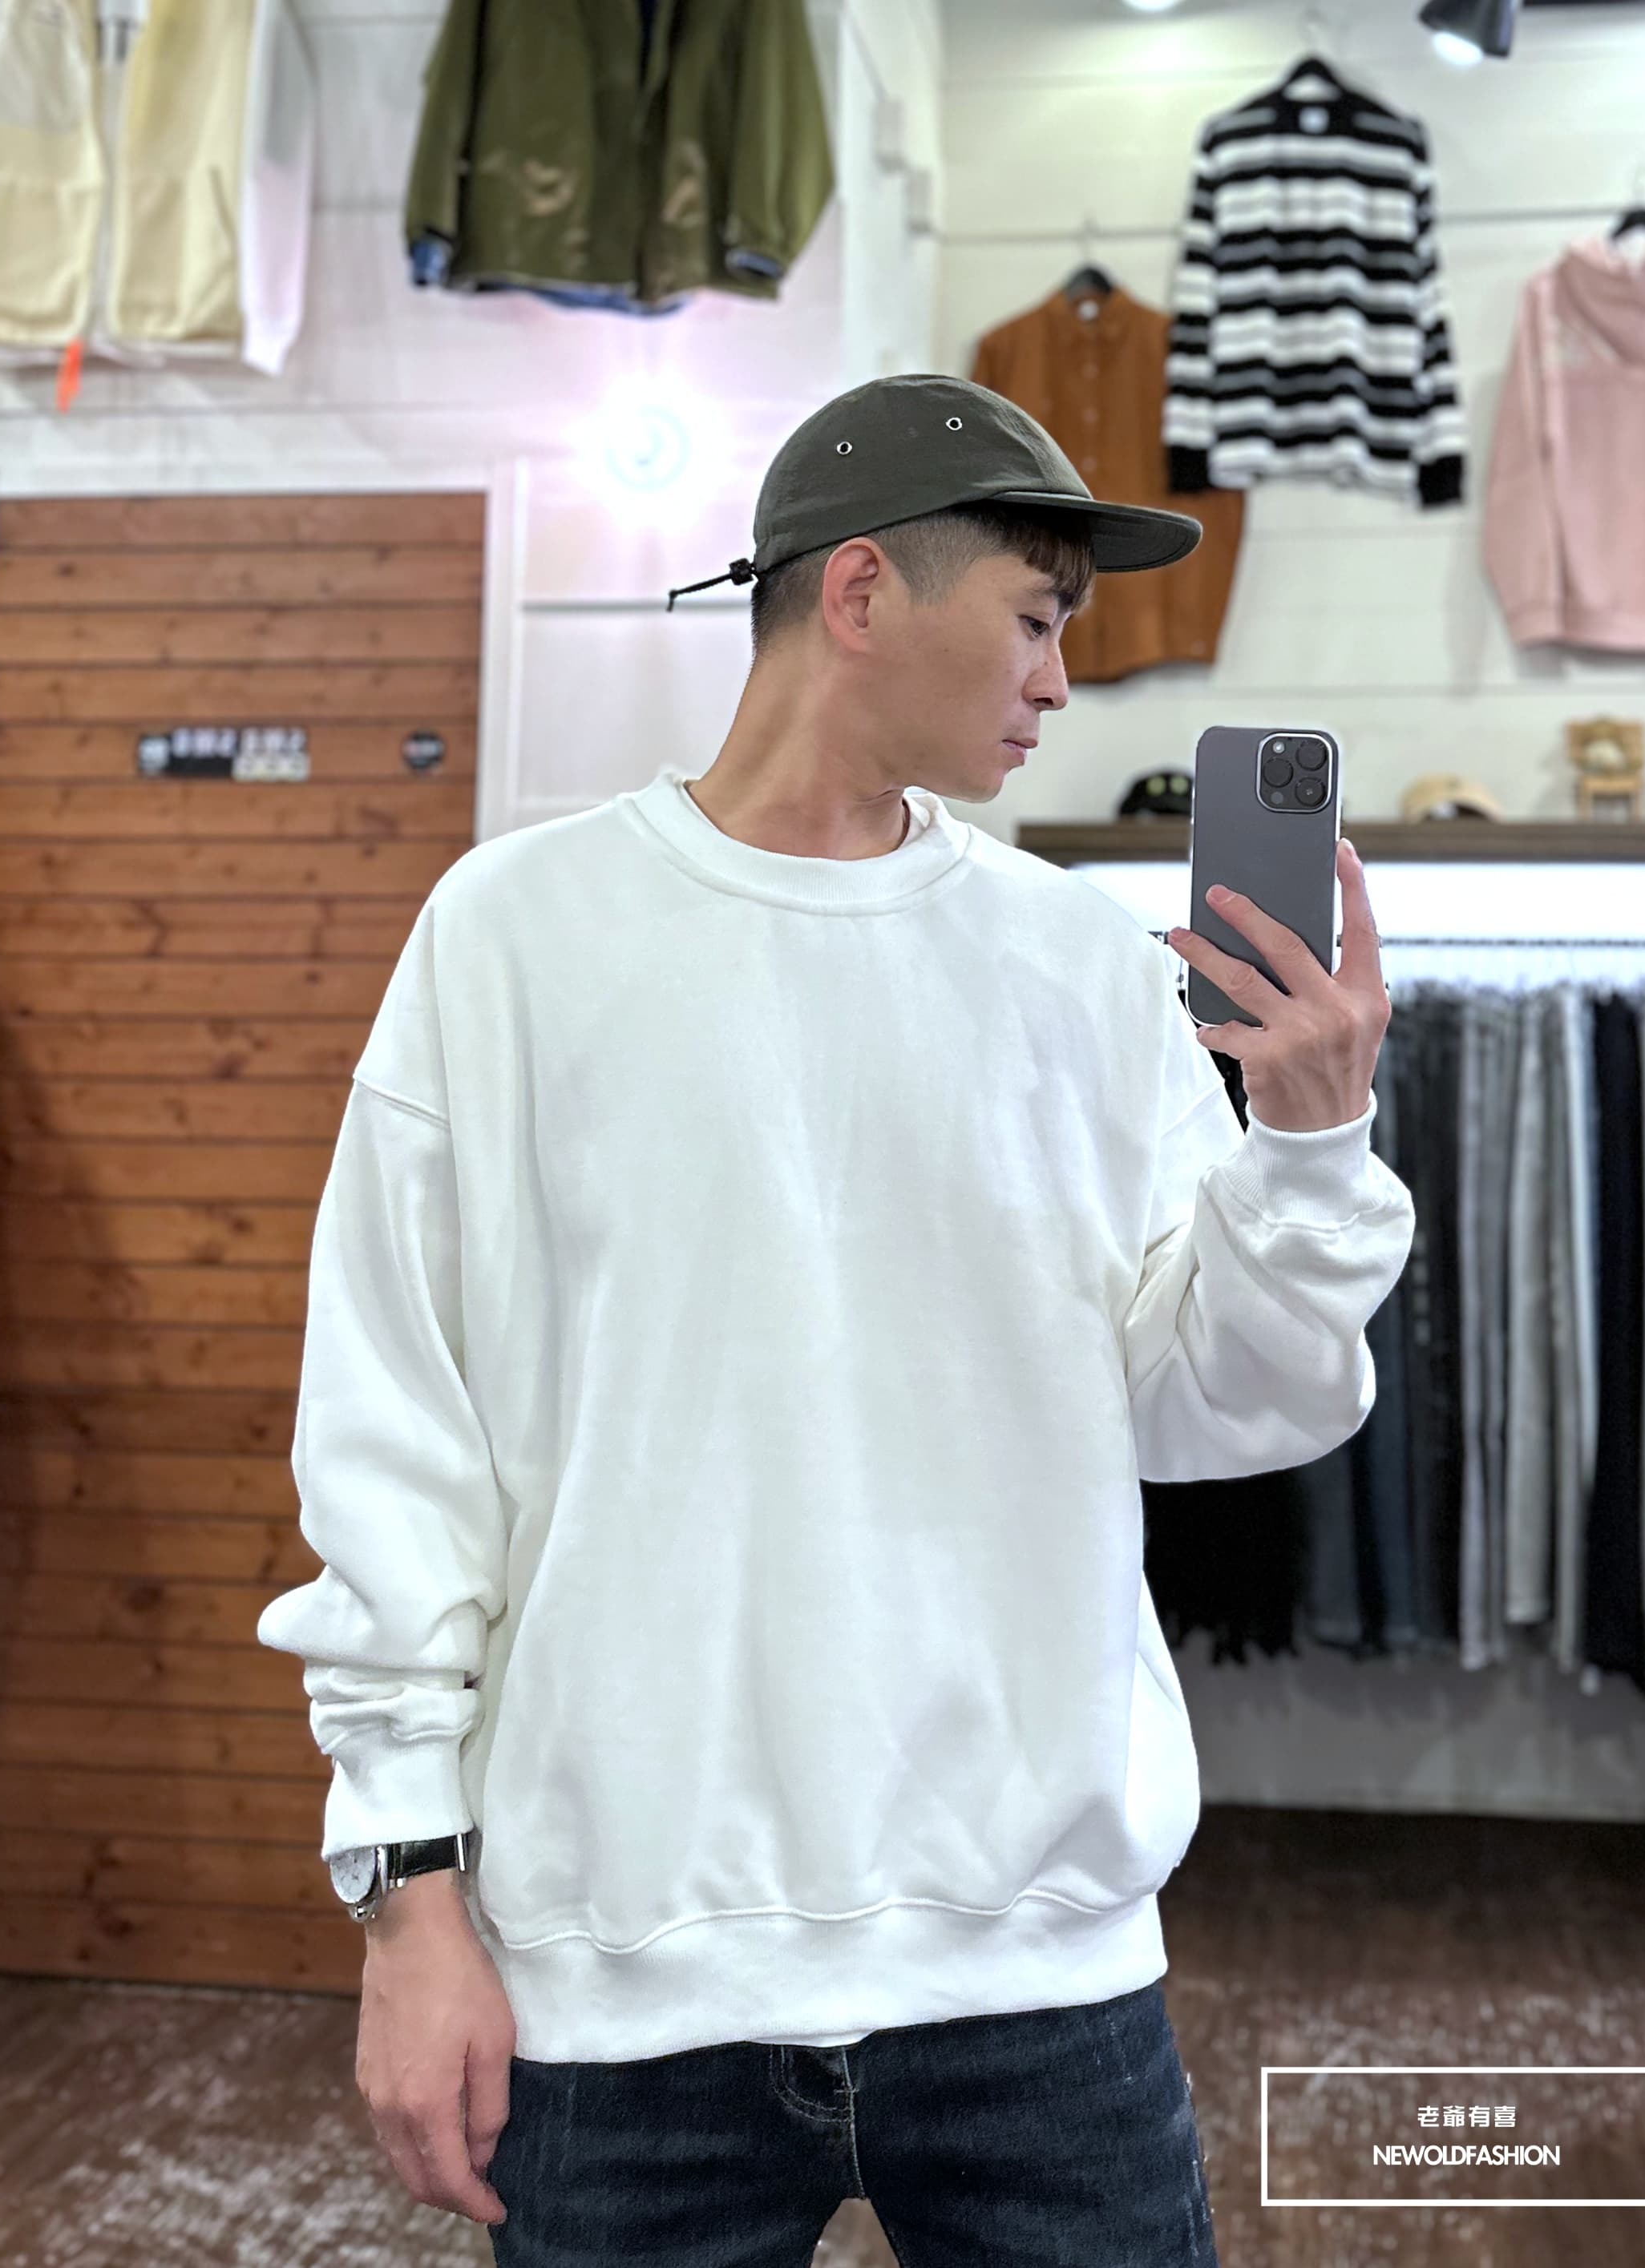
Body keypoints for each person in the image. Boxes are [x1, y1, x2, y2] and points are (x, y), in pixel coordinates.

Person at [256, 372, 1414, 2266]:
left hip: (1039, 1970)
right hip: (621, 1977)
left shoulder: (1076, 962)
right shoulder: (515, 933)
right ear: (862, 592)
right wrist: (407, 1895)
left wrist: (1307, 1145)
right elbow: (398, 1444)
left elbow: (1229, 1405)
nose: (1061, 681)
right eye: (1035, 618)